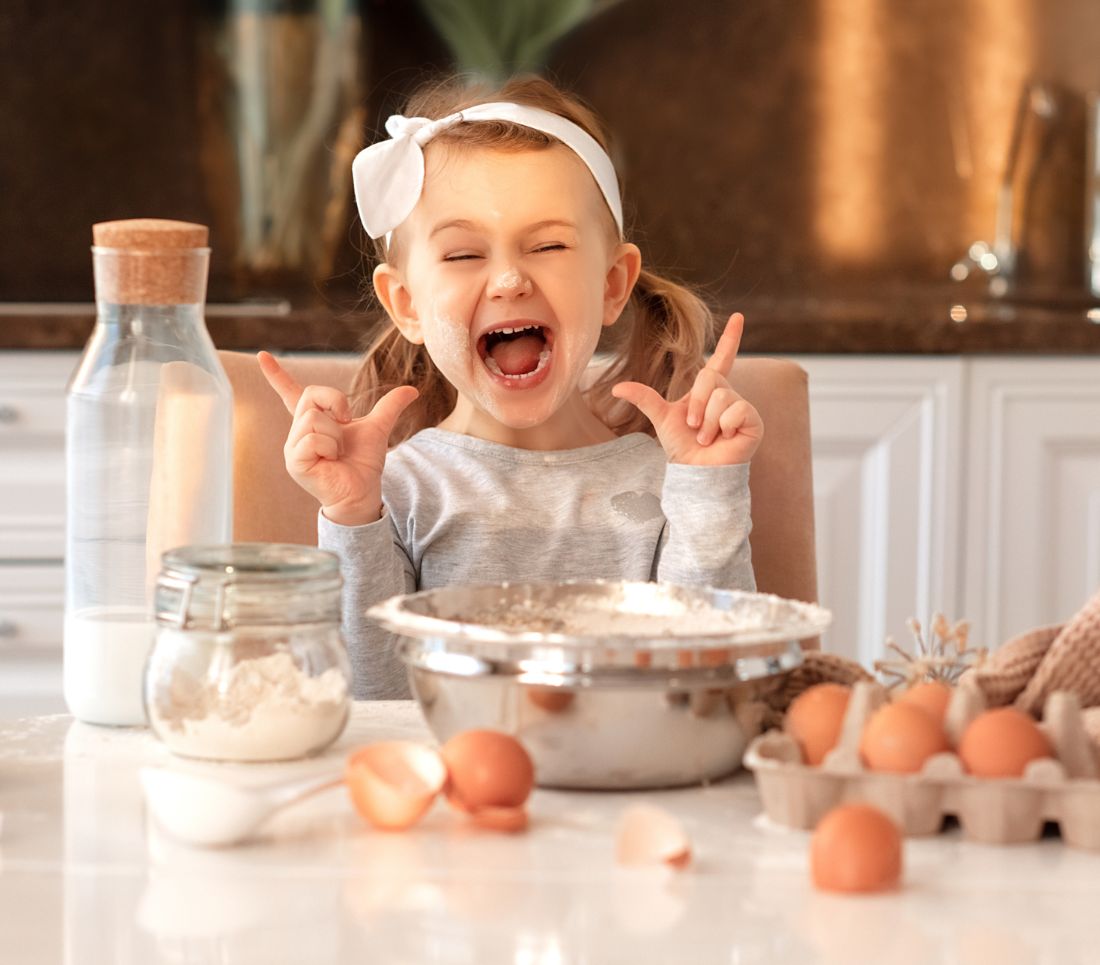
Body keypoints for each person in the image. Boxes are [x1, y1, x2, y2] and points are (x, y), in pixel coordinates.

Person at [259, 75, 764, 699]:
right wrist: (353, 518)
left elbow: (715, 687)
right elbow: (372, 704)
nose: (508, 280)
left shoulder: (667, 482)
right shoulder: (395, 493)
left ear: (612, 284)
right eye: (463, 255)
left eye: (548, 244)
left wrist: (709, 489)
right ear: (407, 303)